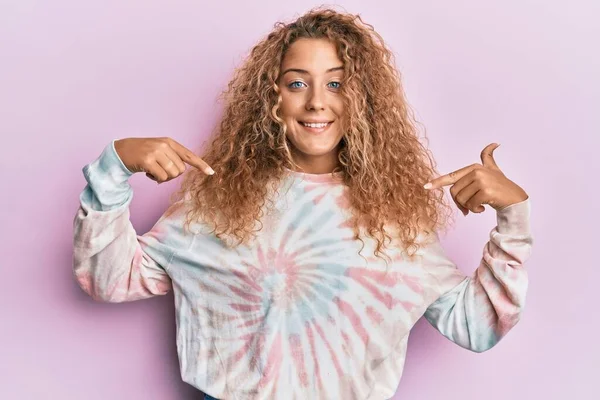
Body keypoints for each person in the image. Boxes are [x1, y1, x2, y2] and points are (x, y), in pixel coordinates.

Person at [72, 7, 532, 400]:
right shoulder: (219, 201)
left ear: (362, 101)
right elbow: (110, 280)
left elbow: (475, 325)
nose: (316, 102)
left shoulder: (391, 218)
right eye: (297, 83)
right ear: (271, 96)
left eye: (336, 84)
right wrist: (115, 166)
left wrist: (513, 215)